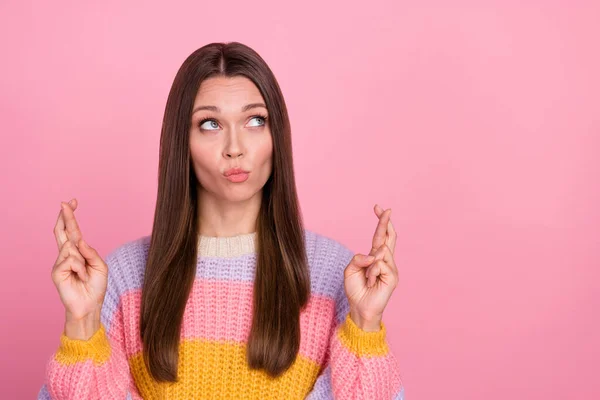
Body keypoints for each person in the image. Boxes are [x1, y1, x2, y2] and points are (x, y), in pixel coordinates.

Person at [37, 42, 405, 399]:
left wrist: (365, 326)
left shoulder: (334, 274)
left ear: (278, 136)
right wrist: (83, 324)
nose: (235, 147)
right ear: (181, 141)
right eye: (211, 124)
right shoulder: (123, 276)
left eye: (255, 121)